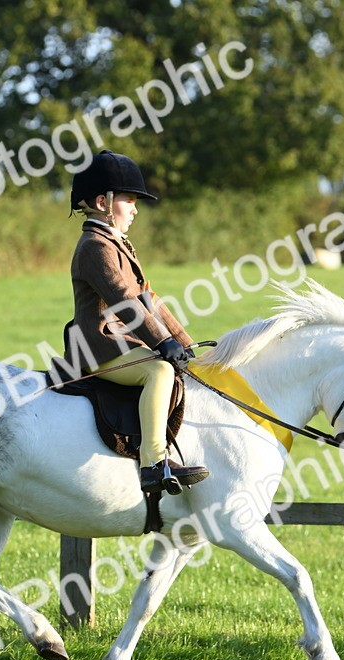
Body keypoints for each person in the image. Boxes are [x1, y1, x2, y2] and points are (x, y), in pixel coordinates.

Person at [63, 150, 209, 494]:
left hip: (121, 345)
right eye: (129, 201)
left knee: (173, 366)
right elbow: (126, 301)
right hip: (98, 350)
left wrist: (184, 343)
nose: (135, 209)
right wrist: (162, 344)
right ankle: (153, 463)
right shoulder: (95, 247)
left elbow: (149, 299)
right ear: (103, 201)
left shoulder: (116, 243)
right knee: (159, 371)